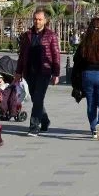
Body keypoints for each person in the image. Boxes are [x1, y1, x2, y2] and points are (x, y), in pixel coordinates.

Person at [15, 7, 61, 137]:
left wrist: (56, 74)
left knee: (39, 97)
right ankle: (45, 120)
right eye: (35, 19)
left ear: (45, 20)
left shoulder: (51, 35)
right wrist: (18, 72)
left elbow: (56, 55)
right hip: (29, 71)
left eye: (40, 19)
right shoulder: (27, 35)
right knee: (36, 99)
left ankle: (34, 127)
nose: (37, 21)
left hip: (44, 71)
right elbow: (22, 55)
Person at [72, 17, 99, 141]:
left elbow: (76, 59)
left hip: (88, 74)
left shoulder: (85, 42)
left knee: (91, 103)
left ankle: (94, 130)